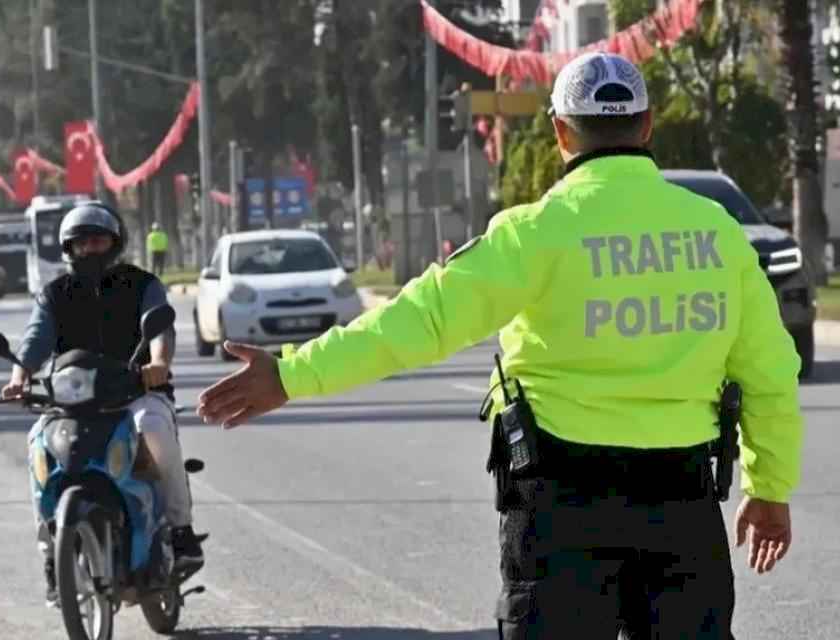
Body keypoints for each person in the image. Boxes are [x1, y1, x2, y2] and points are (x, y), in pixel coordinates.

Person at [197, 52, 802, 638]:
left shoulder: (535, 232)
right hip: (682, 502)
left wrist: (294, 373)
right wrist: (768, 490)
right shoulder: (717, 233)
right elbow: (769, 373)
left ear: (562, 133)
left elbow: (419, 322)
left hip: (563, 506)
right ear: (646, 126)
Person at [2, 201, 202, 607]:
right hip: (73, 403)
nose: (91, 249)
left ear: (115, 243)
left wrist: (159, 363)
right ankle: (50, 556)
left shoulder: (141, 283)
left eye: (98, 240)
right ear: (68, 249)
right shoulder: (54, 293)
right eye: (82, 243)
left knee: (156, 429)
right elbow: (36, 340)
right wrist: (19, 377)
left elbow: (160, 326)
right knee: (37, 444)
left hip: (136, 393)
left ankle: (180, 533)